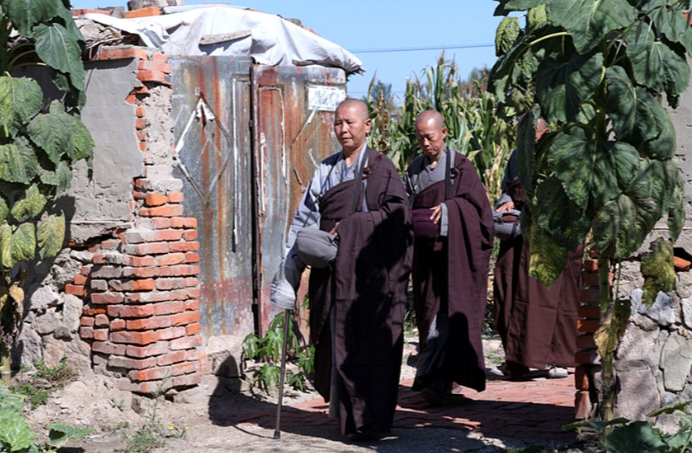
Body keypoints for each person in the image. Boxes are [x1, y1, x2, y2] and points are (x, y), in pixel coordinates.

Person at [271, 99, 413, 440]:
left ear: (367, 126)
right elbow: (304, 219)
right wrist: (291, 266)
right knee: (338, 343)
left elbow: (398, 218)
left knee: (372, 347)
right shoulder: (326, 169)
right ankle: (346, 418)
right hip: (335, 272)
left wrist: (351, 227)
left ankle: (371, 422)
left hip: (372, 277)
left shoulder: (381, 168)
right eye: (337, 123)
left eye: (350, 123)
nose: (343, 129)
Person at [403, 110, 494, 405]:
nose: (425, 143)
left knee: (449, 318)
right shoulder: (415, 168)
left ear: (444, 133)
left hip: (456, 257)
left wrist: (452, 209)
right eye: (419, 138)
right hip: (425, 258)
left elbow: (481, 213)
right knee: (429, 316)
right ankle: (438, 382)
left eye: (429, 137)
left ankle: (438, 382)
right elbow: (404, 202)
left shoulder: (460, 167)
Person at [492, 118, 582, 380]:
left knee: (549, 301)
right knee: (506, 293)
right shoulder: (517, 155)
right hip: (518, 238)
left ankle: (554, 360)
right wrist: (507, 202)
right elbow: (507, 188)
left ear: (543, 135)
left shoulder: (559, 155)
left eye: (529, 135)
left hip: (548, 240)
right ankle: (515, 360)